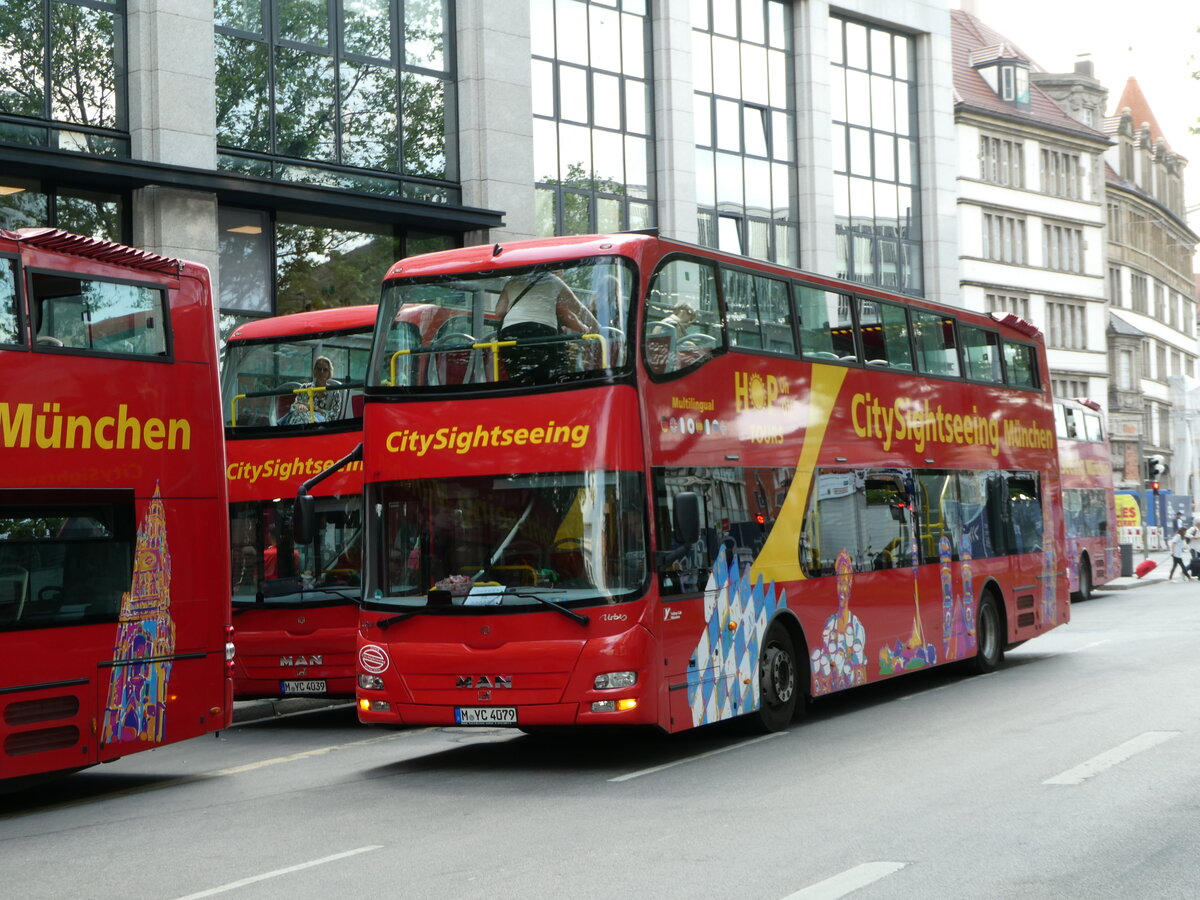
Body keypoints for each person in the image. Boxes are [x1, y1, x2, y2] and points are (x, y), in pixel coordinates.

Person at [495, 270, 599, 383]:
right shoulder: (553, 280)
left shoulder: (512, 281)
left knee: (518, 375)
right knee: (545, 376)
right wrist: (596, 326)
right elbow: (578, 308)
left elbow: (499, 312)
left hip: (509, 333)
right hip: (542, 331)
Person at [285, 356, 346, 423]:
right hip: (300, 417)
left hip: (320, 422)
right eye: (319, 369)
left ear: (329, 373)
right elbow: (293, 407)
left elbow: (334, 416)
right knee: (300, 414)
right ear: (314, 371)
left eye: (325, 370)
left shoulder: (334, 392)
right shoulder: (305, 387)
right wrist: (300, 406)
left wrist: (314, 408)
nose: (321, 372)